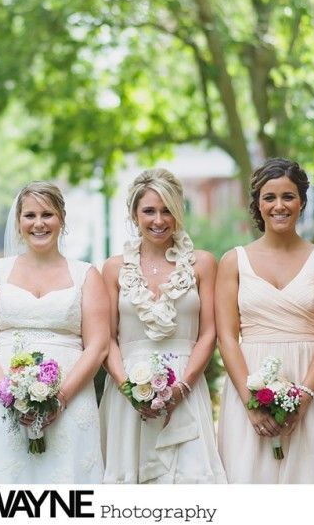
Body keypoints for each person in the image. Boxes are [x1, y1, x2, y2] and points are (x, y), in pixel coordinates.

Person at [215, 158, 314, 483]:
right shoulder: (234, 261)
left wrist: (304, 398)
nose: (279, 206)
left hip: (311, 382)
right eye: (269, 197)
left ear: (302, 202)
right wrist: (251, 403)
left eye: (288, 197)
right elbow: (227, 337)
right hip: (249, 382)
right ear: (258, 205)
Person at [0, 181, 108, 483]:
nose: (39, 223)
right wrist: (9, 394)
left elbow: (97, 345)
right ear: (18, 222)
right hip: (3, 399)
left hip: (71, 397)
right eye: (29, 215)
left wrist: (61, 398)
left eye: (47, 214)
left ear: (61, 218)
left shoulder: (86, 275)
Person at [99, 168, 226, 483]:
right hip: (127, 391)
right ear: (134, 214)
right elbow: (107, 339)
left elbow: (209, 333)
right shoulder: (114, 268)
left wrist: (182, 387)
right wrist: (129, 388)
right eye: (149, 211)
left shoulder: (204, 263)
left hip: (186, 385)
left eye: (167, 210)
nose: (159, 220)